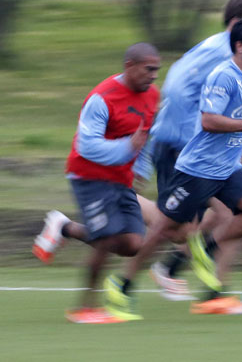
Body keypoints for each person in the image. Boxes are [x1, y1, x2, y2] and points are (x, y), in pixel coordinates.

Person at [106, 19, 242, 318]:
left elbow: (236, 117)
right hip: (197, 168)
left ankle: (205, 249)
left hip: (227, 168)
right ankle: (121, 284)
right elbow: (210, 120)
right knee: (164, 230)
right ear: (240, 46)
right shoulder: (223, 76)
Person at [135, 0, 242, 299]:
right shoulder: (219, 53)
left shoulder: (228, 54)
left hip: (196, 148)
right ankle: (149, 269)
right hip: (179, 147)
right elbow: (176, 90)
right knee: (178, 227)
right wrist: (200, 135)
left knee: (227, 216)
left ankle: (192, 279)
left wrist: (236, 139)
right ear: (236, 24)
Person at [32, 43, 161, 324]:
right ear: (129, 66)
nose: (153, 76)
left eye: (157, 71)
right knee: (106, 238)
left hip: (121, 178)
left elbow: (146, 136)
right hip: (88, 176)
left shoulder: (152, 96)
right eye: (148, 69)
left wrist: (141, 167)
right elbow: (87, 146)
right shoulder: (102, 98)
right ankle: (85, 307)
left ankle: (63, 227)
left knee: (131, 243)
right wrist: (127, 148)